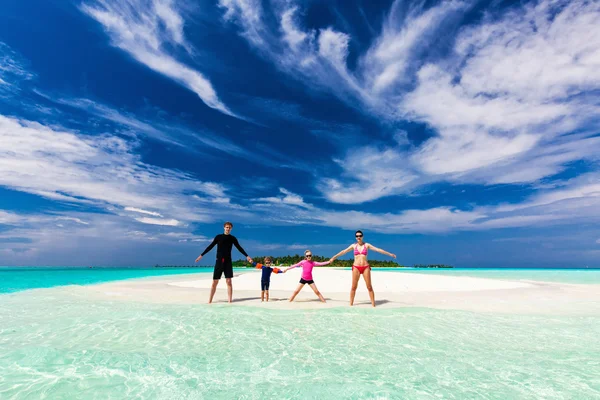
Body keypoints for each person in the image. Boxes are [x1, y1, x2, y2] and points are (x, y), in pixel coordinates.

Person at [330, 230, 396, 307]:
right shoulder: (353, 246)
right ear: (355, 237)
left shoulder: (367, 245)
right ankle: (350, 305)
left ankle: (373, 306)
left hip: (365, 267)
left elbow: (378, 250)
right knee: (354, 287)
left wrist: (390, 254)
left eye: (360, 236)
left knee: (369, 287)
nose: (359, 237)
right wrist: (333, 258)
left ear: (362, 236)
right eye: (357, 236)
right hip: (356, 267)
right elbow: (343, 251)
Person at [195, 221, 253, 303]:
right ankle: (209, 301)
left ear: (231, 229)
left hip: (228, 261)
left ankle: (230, 301)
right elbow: (210, 246)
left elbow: (239, 248)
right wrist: (201, 255)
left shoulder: (232, 238)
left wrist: (247, 256)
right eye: (227, 227)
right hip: (219, 261)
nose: (228, 229)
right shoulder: (218, 237)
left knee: (229, 281)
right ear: (224, 227)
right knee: (215, 281)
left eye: (229, 227)